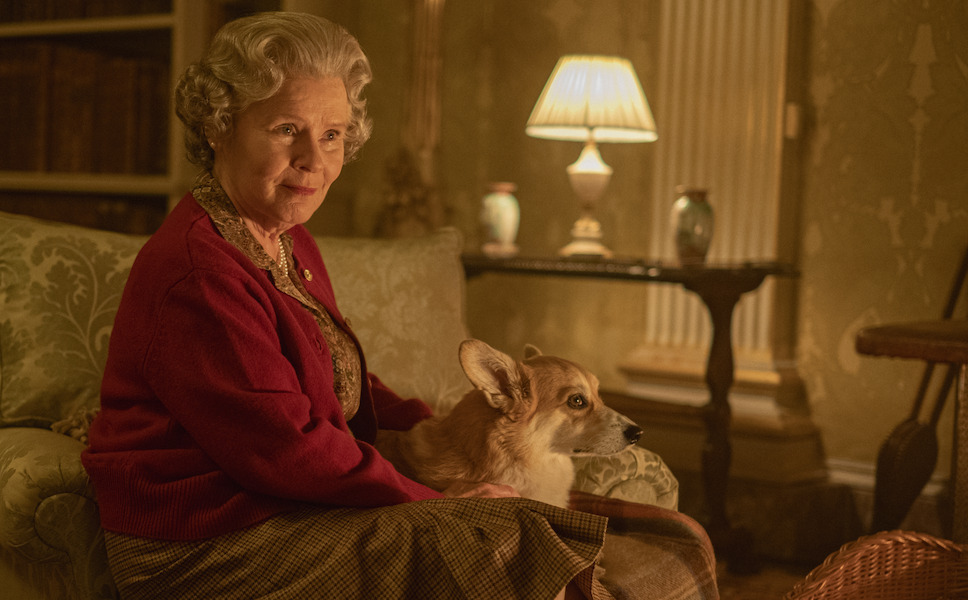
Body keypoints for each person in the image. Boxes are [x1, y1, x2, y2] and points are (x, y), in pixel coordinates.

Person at [81, 12, 610, 600]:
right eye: (287, 129)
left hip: (286, 503)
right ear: (219, 127)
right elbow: (286, 447)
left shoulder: (286, 239)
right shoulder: (200, 272)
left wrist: (439, 433)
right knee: (505, 543)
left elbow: (336, 381)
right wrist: (435, 500)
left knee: (608, 530)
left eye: (332, 134)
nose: (314, 158)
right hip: (206, 538)